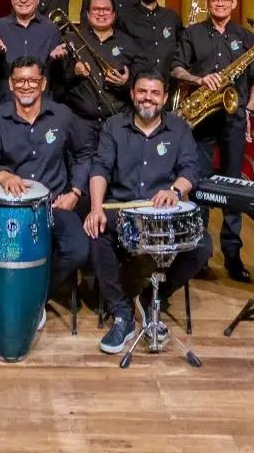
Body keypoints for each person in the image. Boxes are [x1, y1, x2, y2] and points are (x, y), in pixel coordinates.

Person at [83, 71, 211, 355]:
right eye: (142, 91)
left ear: (165, 98)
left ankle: (152, 295)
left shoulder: (179, 128)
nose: (147, 98)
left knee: (202, 248)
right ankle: (122, 314)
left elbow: (191, 169)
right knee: (96, 233)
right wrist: (95, 208)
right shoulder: (114, 126)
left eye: (154, 93)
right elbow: (100, 167)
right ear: (132, 94)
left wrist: (175, 191)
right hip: (124, 210)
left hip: (162, 213)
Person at [0, 56, 91, 314]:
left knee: (78, 250)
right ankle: (7, 288)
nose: (26, 86)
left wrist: (75, 192)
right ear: (10, 84)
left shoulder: (62, 115)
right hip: (9, 208)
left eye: (32, 80)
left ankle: (33, 296)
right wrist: (3, 176)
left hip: (54, 205)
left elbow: (83, 154)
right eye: (20, 80)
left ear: (43, 83)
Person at [171, 0, 254, 283]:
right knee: (197, 186)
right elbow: (176, 69)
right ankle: (200, 255)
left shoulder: (246, 36)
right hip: (201, 119)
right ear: (208, 2)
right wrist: (198, 80)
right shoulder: (193, 33)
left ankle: (233, 256)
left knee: (233, 186)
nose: (220, 4)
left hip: (234, 118)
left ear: (233, 3)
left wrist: (248, 109)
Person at [52, 0, 133, 148]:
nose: (101, 13)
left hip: (116, 120)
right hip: (81, 123)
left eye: (106, 9)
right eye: (96, 9)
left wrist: (125, 82)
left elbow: (139, 79)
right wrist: (74, 72)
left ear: (114, 14)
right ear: (87, 15)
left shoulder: (127, 42)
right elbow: (57, 81)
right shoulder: (70, 39)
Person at [0, 0, 65, 106]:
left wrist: (57, 59)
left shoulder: (51, 28)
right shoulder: (0, 26)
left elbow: (59, 75)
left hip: (42, 103)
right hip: (7, 102)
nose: (23, 0)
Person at [120, 0, 184, 80]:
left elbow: (183, 46)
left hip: (169, 84)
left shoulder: (172, 16)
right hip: (137, 86)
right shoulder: (124, 18)